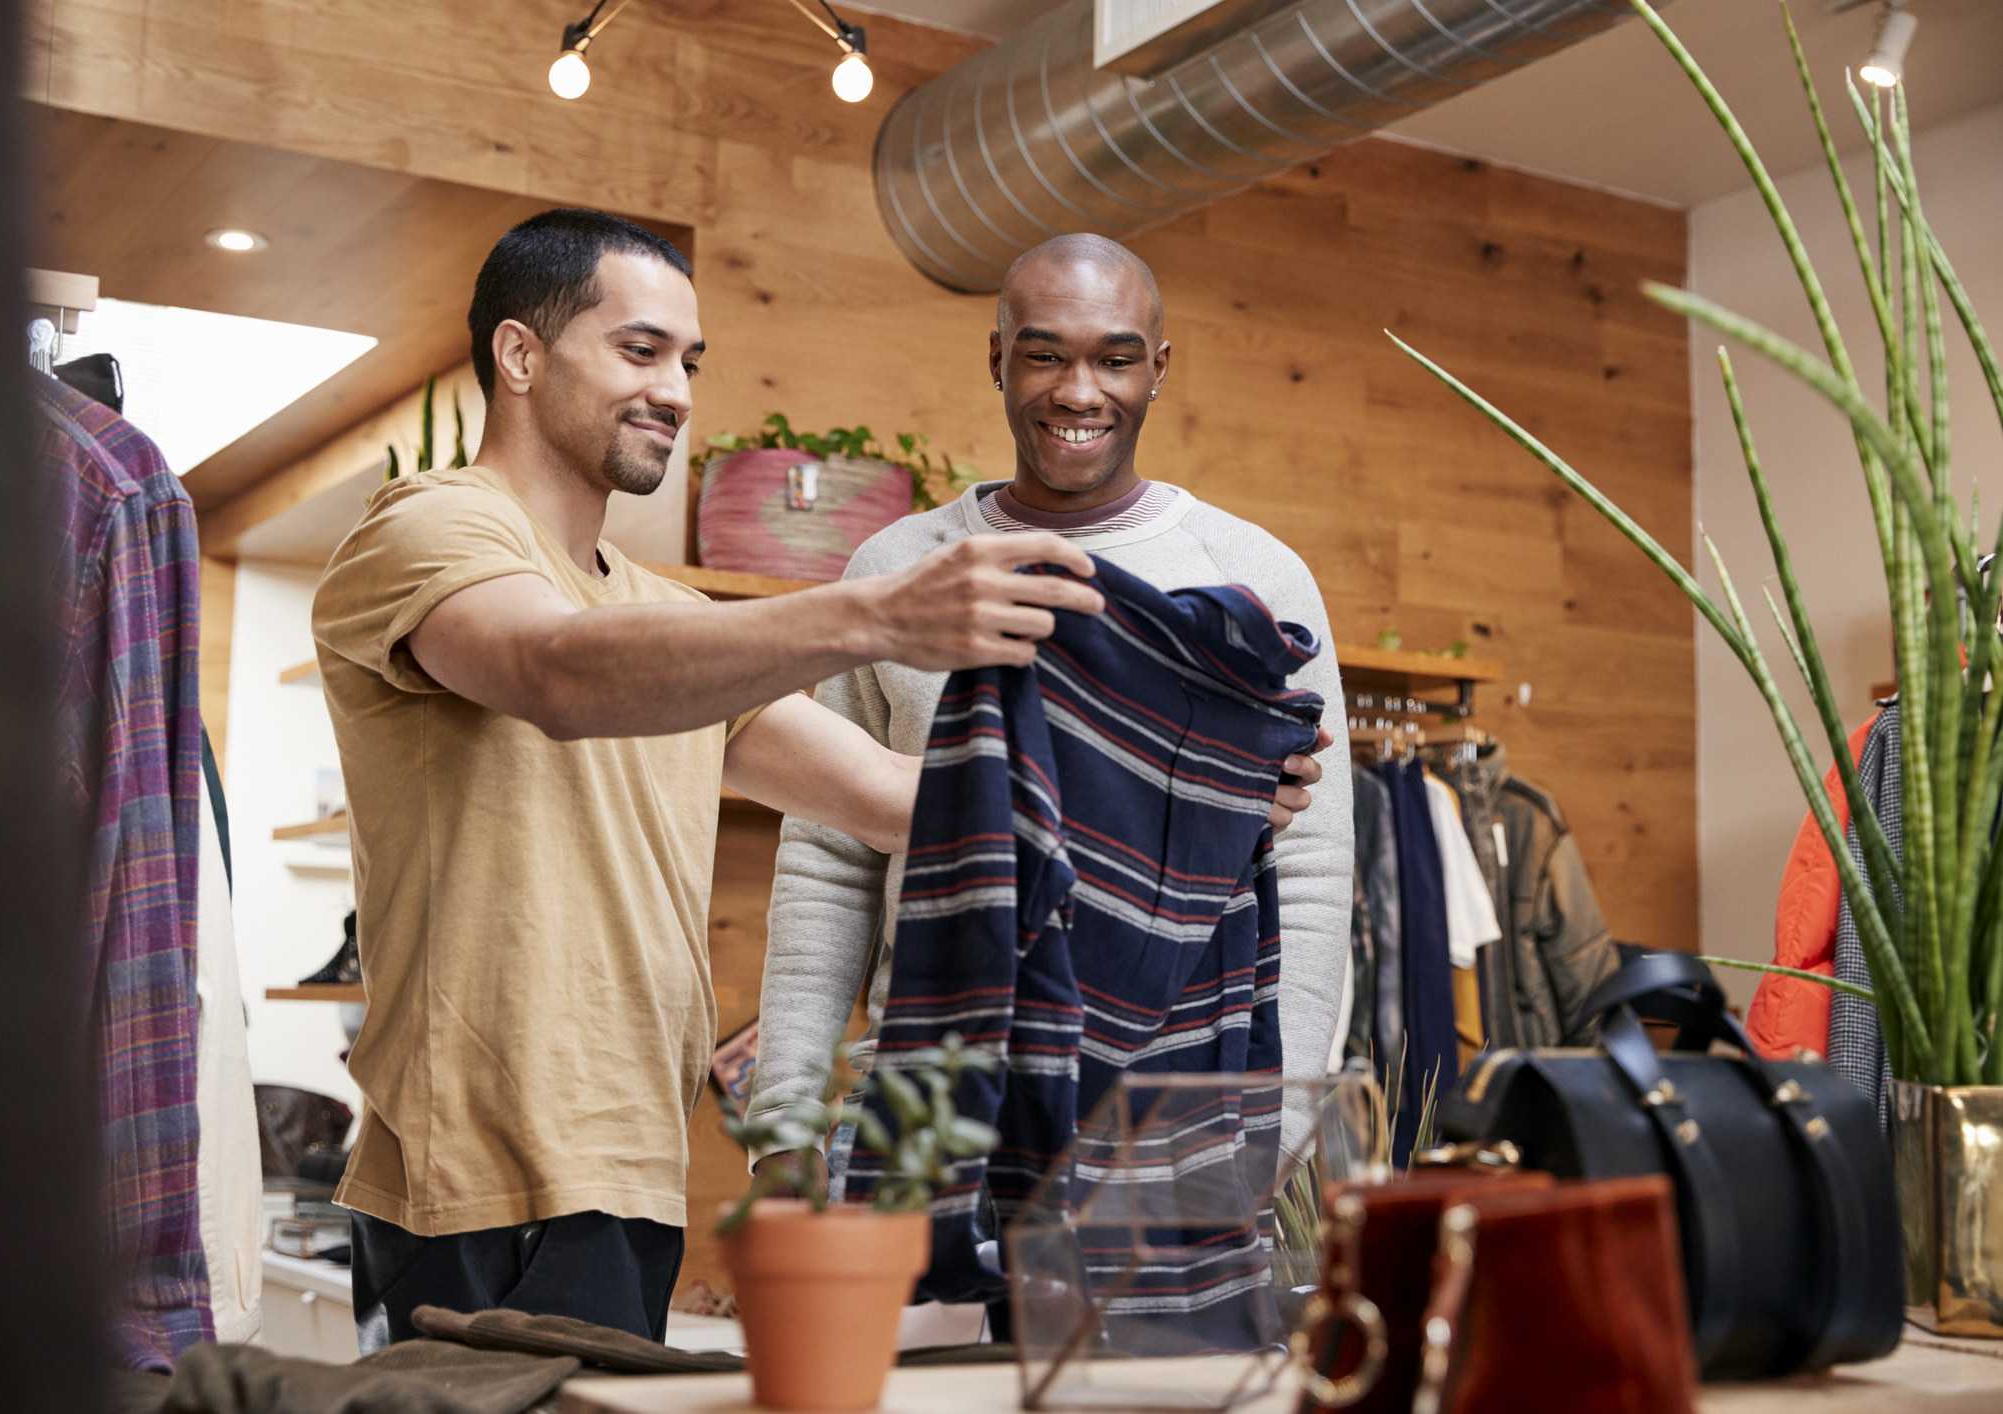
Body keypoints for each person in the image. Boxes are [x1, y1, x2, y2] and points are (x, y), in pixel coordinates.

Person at [309, 209, 1108, 1347]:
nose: (677, 391)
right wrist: (869, 614)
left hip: (631, 1179)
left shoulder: (670, 623)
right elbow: (553, 669)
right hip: (469, 1190)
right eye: (639, 350)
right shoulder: (429, 528)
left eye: (689, 362)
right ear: (521, 356)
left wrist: (1188, 791)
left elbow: (900, 802)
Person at [748, 234, 1351, 1205]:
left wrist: (1273, 1133)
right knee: (906, 1363)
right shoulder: (898, 573)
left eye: (1115, 358)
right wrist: (782, 1124)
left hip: (1168, 1119)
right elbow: (829, 856)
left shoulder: (1253, 584)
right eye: (1044, 354)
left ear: (1159, 369)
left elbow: (1314, 877)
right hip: (922, 1104)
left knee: (1137, 1368)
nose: (1080, 390)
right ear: (997, 359)